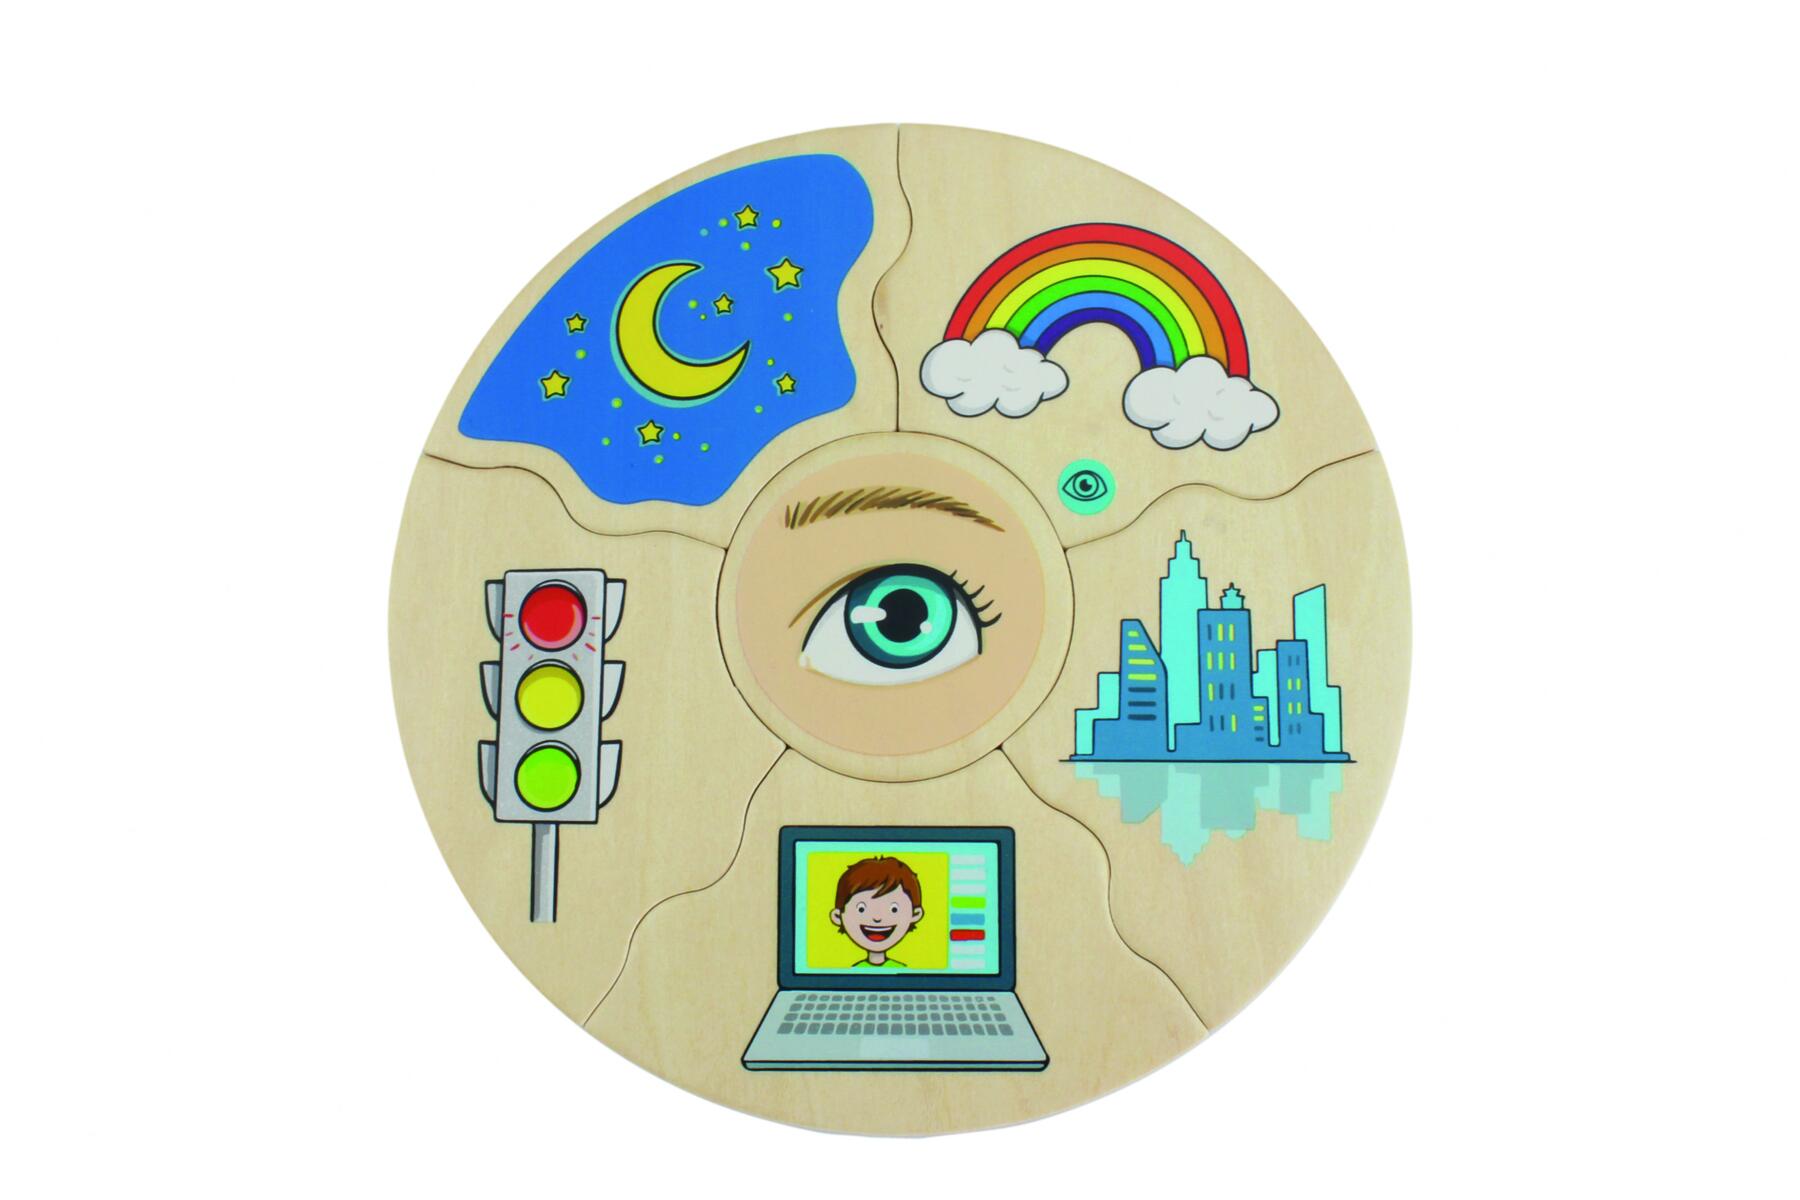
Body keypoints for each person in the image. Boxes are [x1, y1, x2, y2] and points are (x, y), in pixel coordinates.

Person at [830, 856, 924, 968]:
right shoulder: (853, 971)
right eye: (861, 909)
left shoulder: (903, 970)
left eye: (894, 909)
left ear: (915, 914)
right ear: (838, 916)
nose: (877, 918)